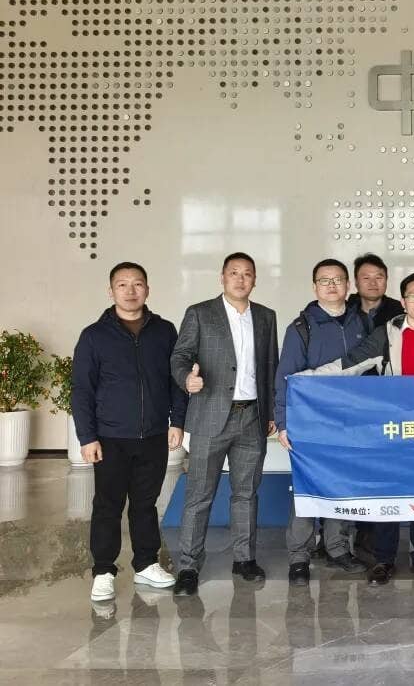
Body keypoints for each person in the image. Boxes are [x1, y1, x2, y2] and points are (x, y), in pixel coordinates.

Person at [304, 271, 414, 585]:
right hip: (392, 430)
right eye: (412, 296)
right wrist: (306, 378)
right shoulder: (386, 334)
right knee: (387, 494)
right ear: (403, 301)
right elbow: (349, 365)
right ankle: (384, 559)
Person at [72, 262, 187, 602]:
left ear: (147, 290)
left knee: (146, 503)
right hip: (110, 437)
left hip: (153, 435)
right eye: (122, 284)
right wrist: (87, 437)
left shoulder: (164, 331)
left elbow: (176, 381)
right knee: (107, 505)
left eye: (137, 284)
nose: (130, 290)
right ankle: (104, 571)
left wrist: (177, 421)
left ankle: (146, 563)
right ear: (111, 291)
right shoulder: (94, 336)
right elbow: (82, 390)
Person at [170, 252, 279, 596]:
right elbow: (180, 356)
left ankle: (244, 559)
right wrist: (186, 378)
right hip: (209, 416)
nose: (240, 279)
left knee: (246, 493)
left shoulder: (266, 317)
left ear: (254, 280)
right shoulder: (200, 313)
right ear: (222, 277)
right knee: (199, 495)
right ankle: (189, 565)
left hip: (252, 416)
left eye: (247, 274)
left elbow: (270, 367)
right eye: (234, 273)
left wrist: (272, 413)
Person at [276, 259, 370, 585]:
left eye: (338, 279)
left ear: (348, 285)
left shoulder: (362, 323)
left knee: (342, 485)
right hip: (311, 422)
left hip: (351, 423)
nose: (332, 285)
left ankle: (337, 548)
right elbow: (285, 378)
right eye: (324, 280)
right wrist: (283, 422)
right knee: (307, 488)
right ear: (315, 287)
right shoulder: (301, 328)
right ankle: (299, 557)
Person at [348, 253, 404, 334]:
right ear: (356, 282)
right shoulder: (345, 312)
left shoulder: (400, 312)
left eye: (378, 278)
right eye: (366, 278)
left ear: (386, 280)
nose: (373, 283)